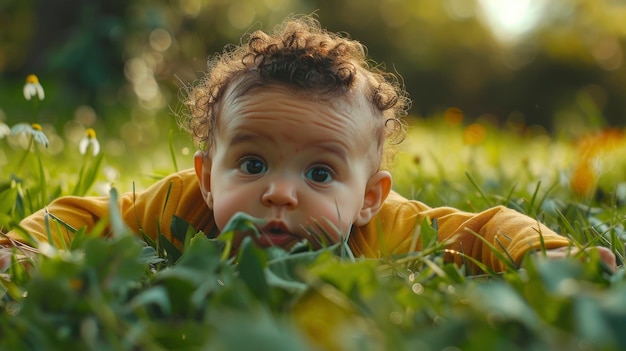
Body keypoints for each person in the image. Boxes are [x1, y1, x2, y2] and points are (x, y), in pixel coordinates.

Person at [0, 15, 616, 273]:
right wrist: (21, 248)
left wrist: (547, 258)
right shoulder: (181, 208)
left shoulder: (386, 229)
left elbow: (479, 228)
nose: (278, 192)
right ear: (207, 177)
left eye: (320, 175)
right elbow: (81, 215)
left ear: (370, 197)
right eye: (251, 163)